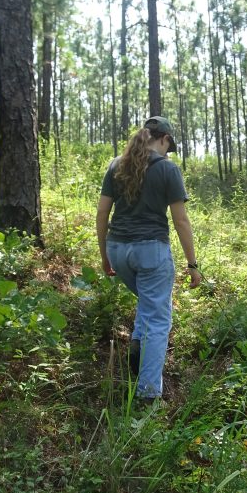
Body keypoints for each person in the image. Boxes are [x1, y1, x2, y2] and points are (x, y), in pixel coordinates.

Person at [96, 116, 201, 401]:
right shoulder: (167, 169)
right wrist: (193, 266)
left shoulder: (117, 165)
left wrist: (105, 255)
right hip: (151, 251)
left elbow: (103, 213)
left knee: (149, 300)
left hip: (118, 249)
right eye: (169, 145)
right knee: (158, 318)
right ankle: (148, 394)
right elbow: (181, 221)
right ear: (164, 139)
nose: (169, 152)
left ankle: (137, 351)